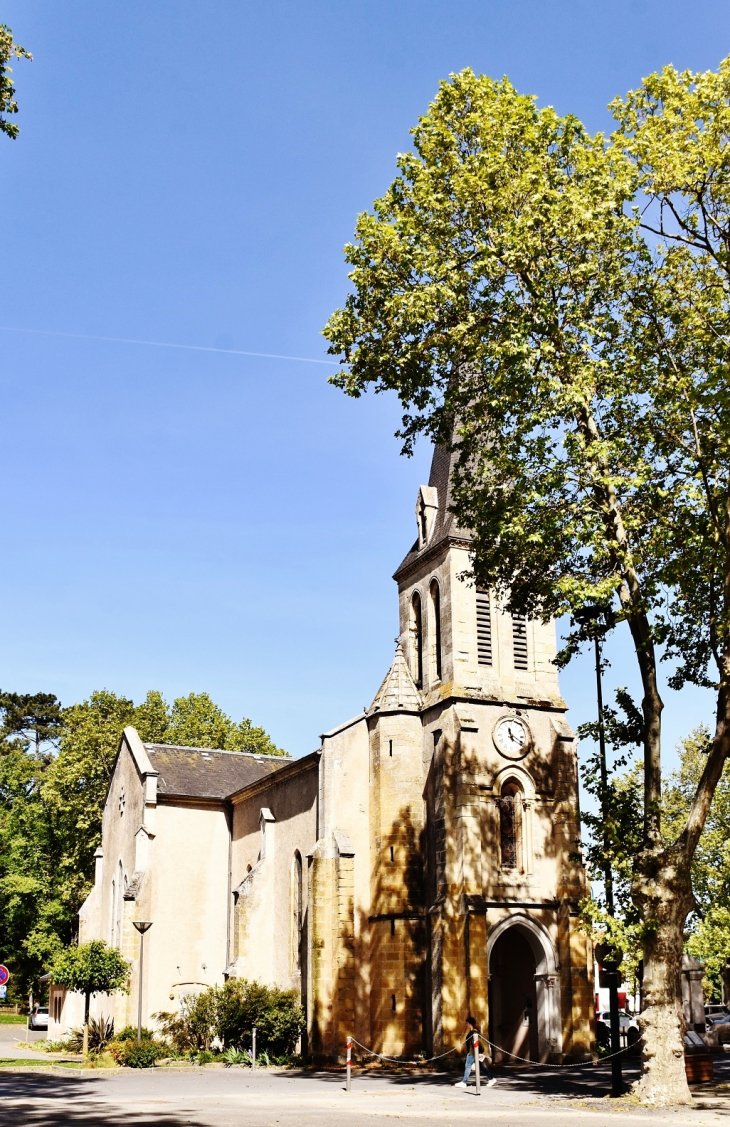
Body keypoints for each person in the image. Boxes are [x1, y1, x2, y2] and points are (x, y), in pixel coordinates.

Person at [454, 1015, 497, 1089]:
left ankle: (464, 1082)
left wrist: (480, 1052)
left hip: (472, 1052)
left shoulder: (474, 1033)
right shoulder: (472, 1032)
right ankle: (491, 1079)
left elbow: (480, 1043)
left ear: (470, 1024)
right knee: (481, 1067)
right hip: (473, 1052)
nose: (466, 1025)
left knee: (468, 1066)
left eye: (467, 1024)